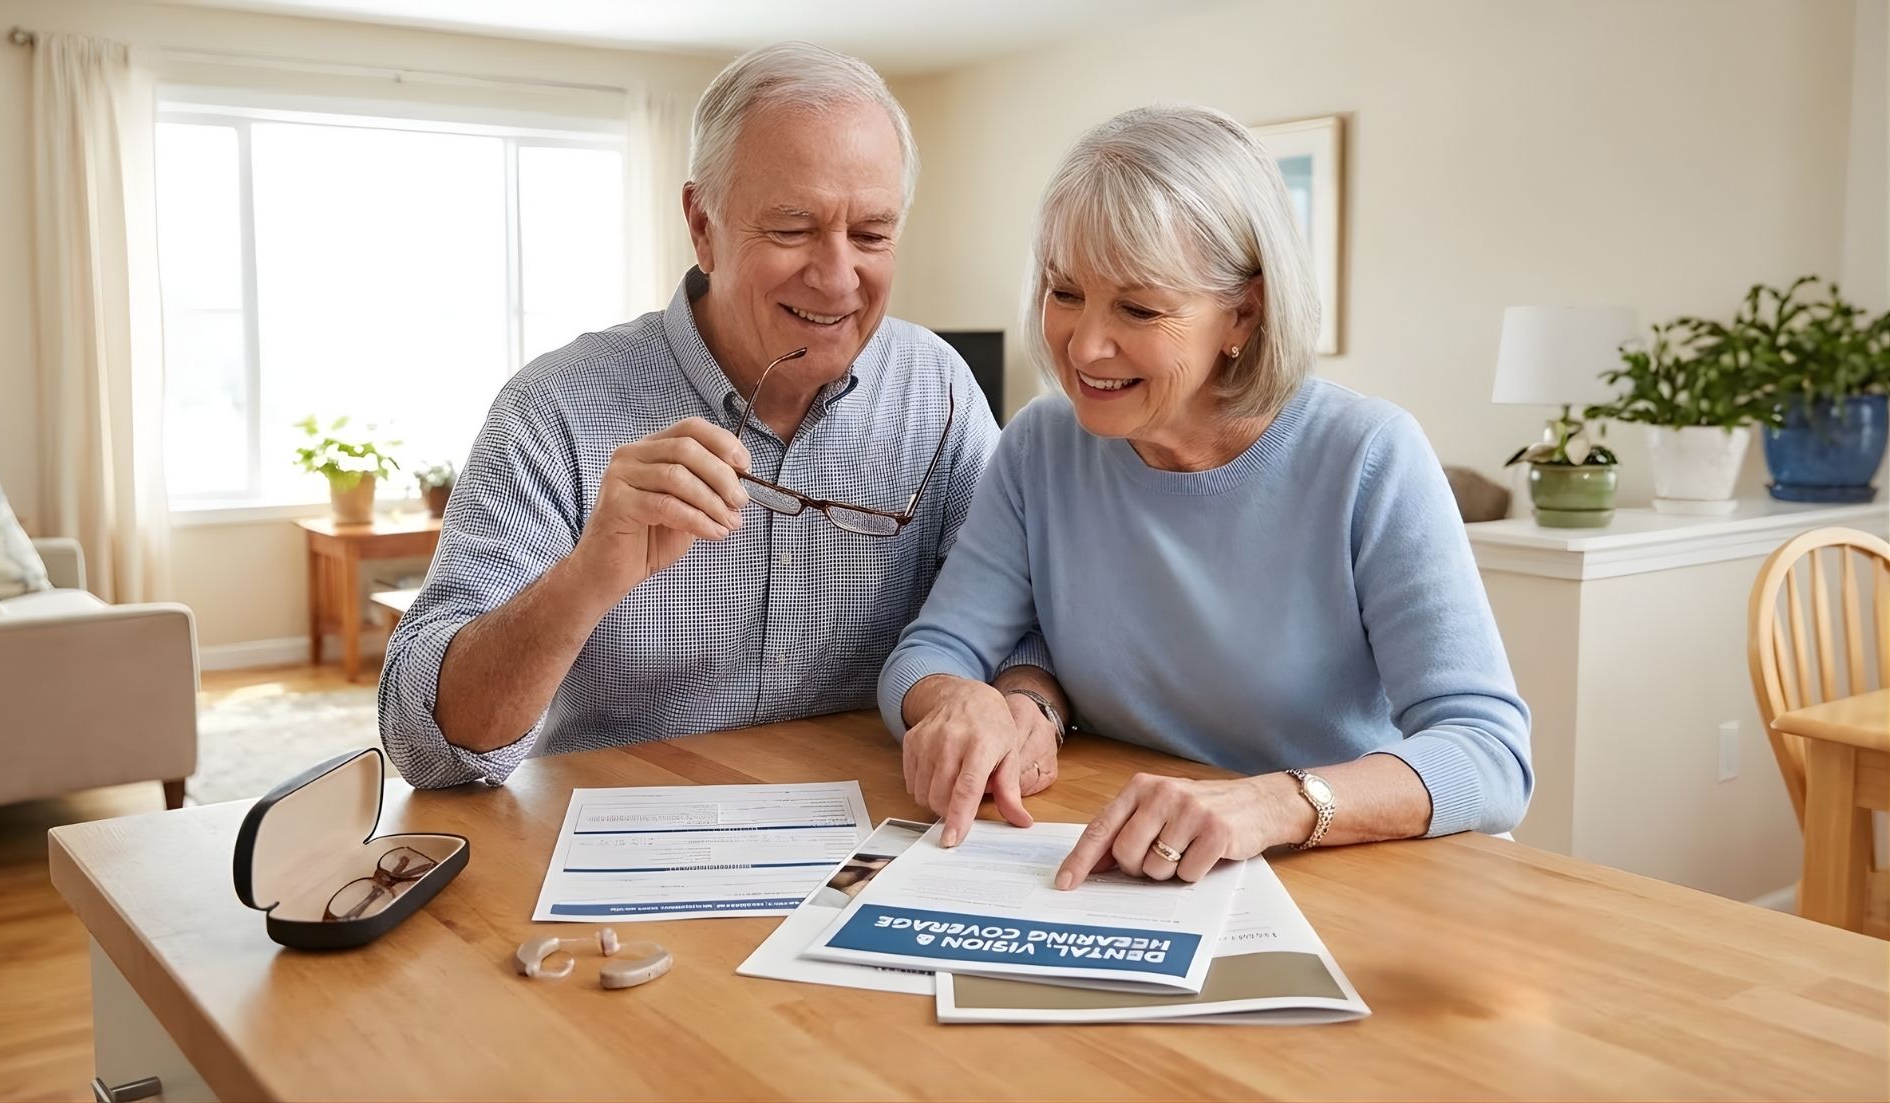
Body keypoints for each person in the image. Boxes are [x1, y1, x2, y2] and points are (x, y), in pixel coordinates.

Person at [878, 104, 1532, 888]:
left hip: (1362, 875)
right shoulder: (1042, 446)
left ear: (1243, 313)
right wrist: (963, 700)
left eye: (1140, 308)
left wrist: (1273, 804)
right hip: (1142, 867)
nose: (1084, 345)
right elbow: (933, 649)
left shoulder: (1369, 455)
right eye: (1064, 292)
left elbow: (1489, 755)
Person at [379, 43, 1056, 789]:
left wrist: (1023, 698)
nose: (836, 279)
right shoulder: (554, 410)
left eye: (870, 234)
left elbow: (1022, 617)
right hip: (623, 854)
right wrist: (586, 577)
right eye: (793, 229)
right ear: (703, 224)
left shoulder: (943, 393)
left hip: (871, 838)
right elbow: (423, 748)